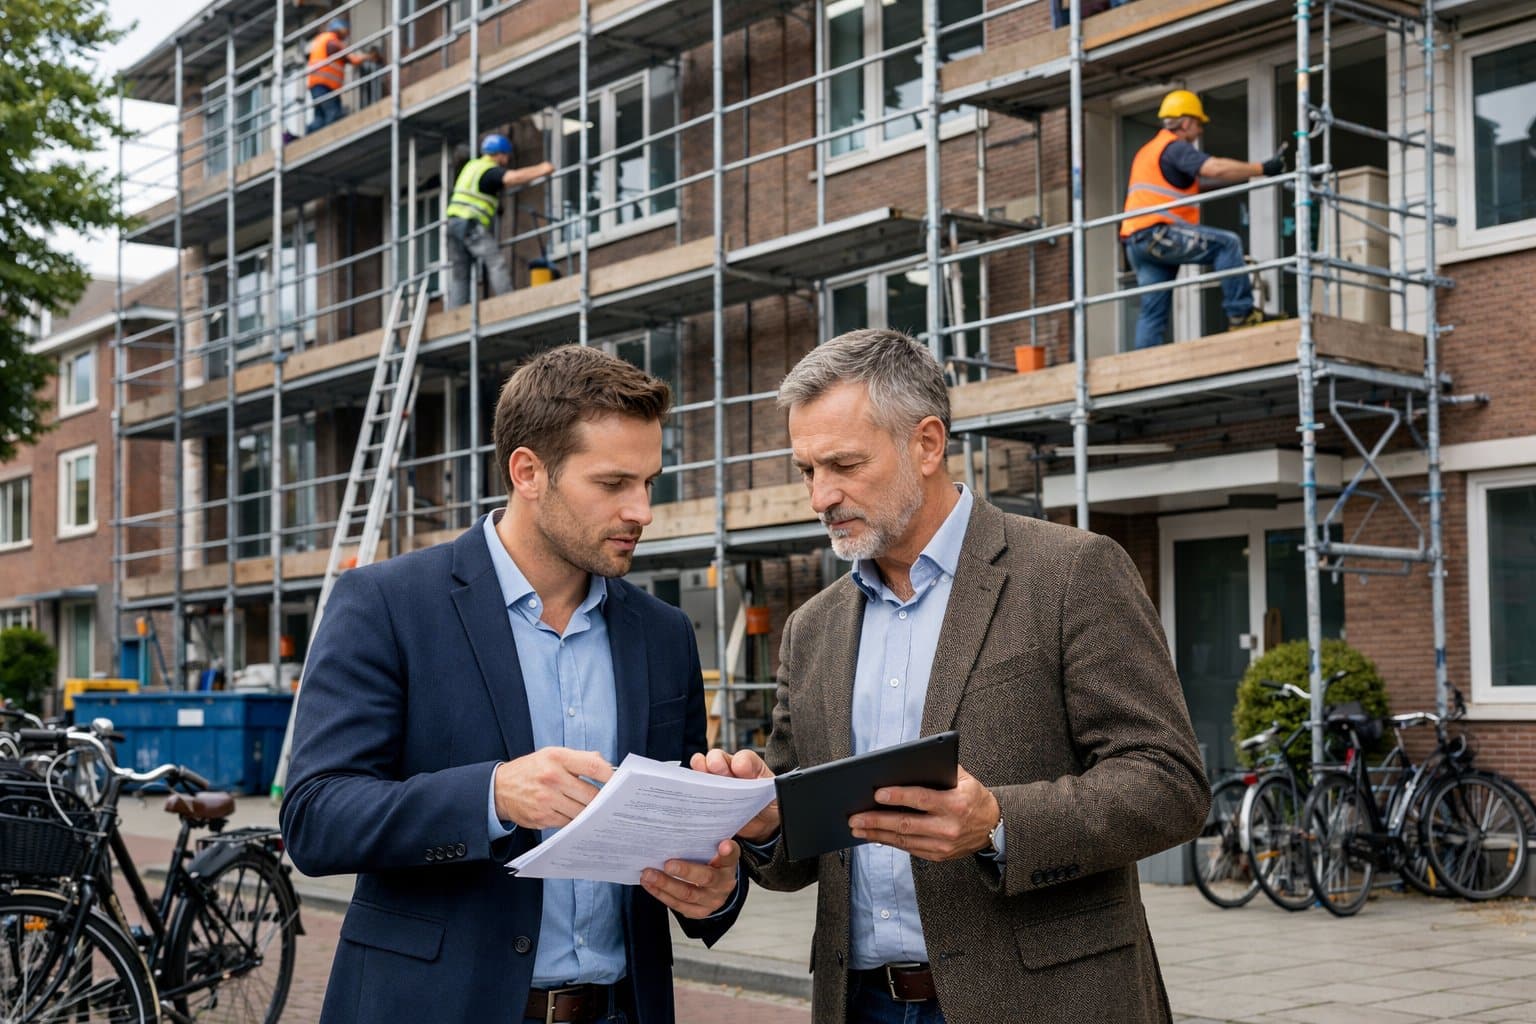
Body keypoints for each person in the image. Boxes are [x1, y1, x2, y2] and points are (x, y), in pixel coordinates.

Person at [697, 330, 1211, 1023]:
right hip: (861, 1004)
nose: (821, 496)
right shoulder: (812, 628)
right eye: (806, 471)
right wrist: (762, 820)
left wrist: (999, 824)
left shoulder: (1069, 572)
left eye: (844, 464)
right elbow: (796, 854)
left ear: (928, 444)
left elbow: (1169, 782)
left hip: (1045, 1002)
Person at [280, 345, 747, 1023]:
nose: (643, 510)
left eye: (650, 481)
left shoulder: (663, 633)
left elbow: (670, 834)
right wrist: (492, 794)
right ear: (528, 472)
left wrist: (715, 885)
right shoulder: (384, 603)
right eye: (613, 484)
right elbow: (316, 818)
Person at [1121, 89, 1287, 348]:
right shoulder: (1176, 147)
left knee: (1152, 311)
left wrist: (1238, 179)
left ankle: (1144, 362)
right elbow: (1214, 168)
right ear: (1185, 122)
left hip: (1138, 241)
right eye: (1197, 124)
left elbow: (1193, 185)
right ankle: (1241, 315)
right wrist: (1262, 169)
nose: (1199, 131)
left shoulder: (1149, 151)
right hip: (1159, 233)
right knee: (1227, 244)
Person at [444, 134, 555, 310]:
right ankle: (508, 303)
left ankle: (455, 313)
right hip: (470, 224)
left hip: (453, 225)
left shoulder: (472, 167)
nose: (507, 160)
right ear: (501, 154)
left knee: (460, 273)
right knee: (496, 262)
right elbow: (513, 178)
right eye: (507, 156)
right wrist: (542, 169)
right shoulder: (489, 170)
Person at [305, 19, 379, 134]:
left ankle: (309, 139)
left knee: (320, 117)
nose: (347, 34)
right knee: (333, 113)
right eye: (346, 30)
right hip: (324, 85)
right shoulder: (332, 40)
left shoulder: (322, 40)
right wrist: (369, 57)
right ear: (340, 28)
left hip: (317, 85)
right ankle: (328, 140)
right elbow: (352, 59)